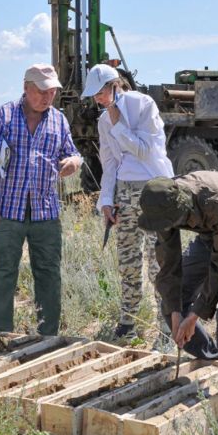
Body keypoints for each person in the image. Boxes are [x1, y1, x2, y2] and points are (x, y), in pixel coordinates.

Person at [138, 171, 218, 408]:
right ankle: (215, 355)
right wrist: (176, 313)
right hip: (212, 235)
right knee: (170, 298)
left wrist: (194, 314)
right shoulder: (162, 206)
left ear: (181, 209)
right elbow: (169, 264)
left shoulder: (214, 201)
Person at [0, 63, 82, 335]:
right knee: (2, 274)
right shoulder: (3, 116)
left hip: (45, 212)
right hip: (6, 210)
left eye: (52, 92)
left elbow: (72, 153)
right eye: (42, 91)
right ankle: (0, 334)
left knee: (49, 275)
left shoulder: (58, 119)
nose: (47, 97)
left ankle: (47, 336)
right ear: (26, 88)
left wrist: (73, 162)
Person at [81, 64, 174, 342]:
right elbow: (109, 163)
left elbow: (146, 151)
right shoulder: (102, 121)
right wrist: (106, 201)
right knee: (128, 260)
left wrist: (119, 123)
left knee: (159, 262)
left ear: (113, 85)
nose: (97, 98)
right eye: (94, 95)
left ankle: (167, 327)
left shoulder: (143, 104)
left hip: (154, 190)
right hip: (124, 193)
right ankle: (129, 320)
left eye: (100, 92)